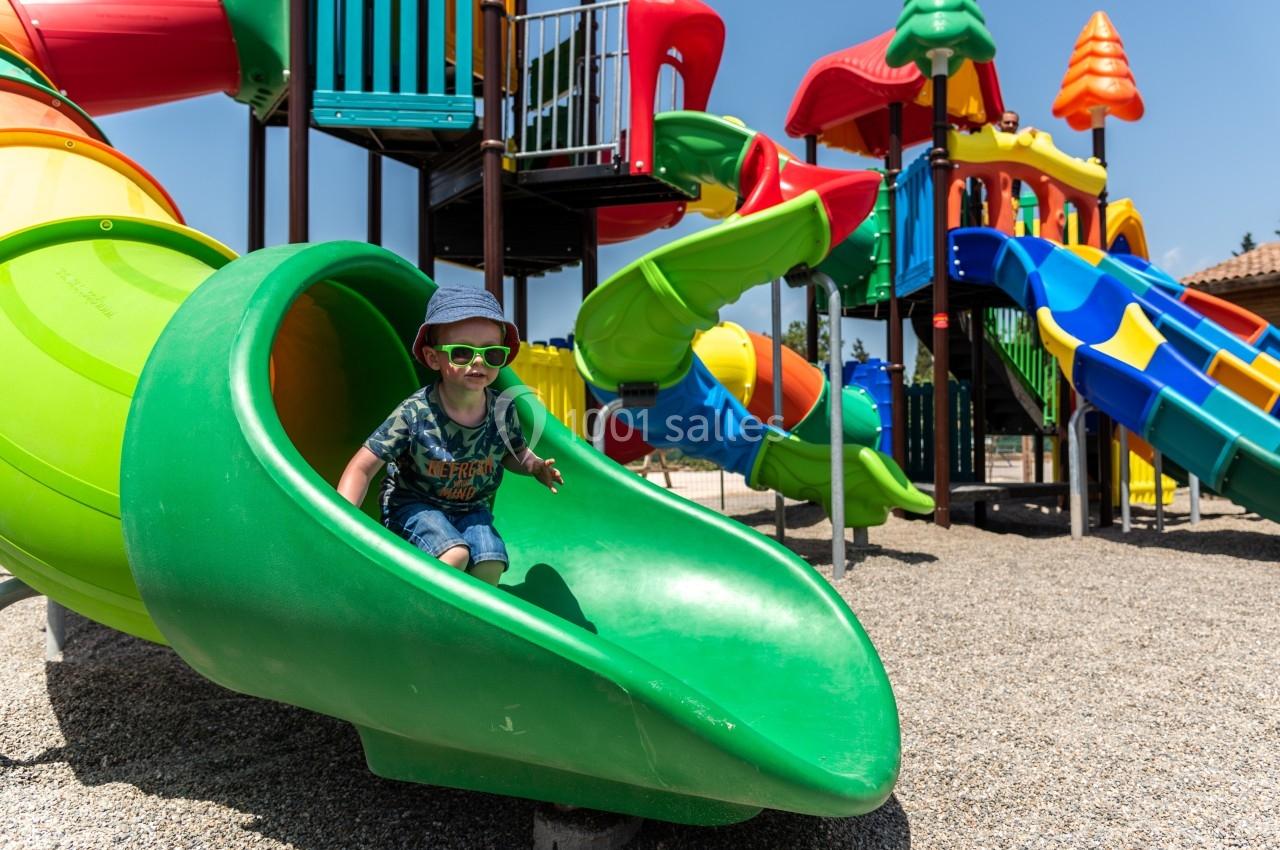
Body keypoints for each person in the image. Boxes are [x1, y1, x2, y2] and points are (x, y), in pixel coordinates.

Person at [337, 287, 563, 586]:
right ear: (433, 358)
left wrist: (534, 466)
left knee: (491, 562)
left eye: (491, 352)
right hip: (414, 506)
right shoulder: (415, 412)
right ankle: (421, 615)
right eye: (462, 352)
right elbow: (362, 466)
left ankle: (467, 628)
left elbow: (513, 453)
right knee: (455, 555)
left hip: (472, 509)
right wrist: (340, 521)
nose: (478, 361)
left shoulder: (502, 410)